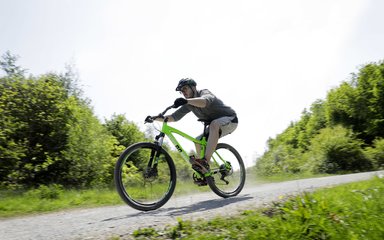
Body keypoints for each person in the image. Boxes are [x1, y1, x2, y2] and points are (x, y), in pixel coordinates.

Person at [155, 78, 238, 174]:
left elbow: (204, 102)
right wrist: (154, 118)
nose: (183, 92)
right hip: (214, 126)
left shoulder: (204, 93)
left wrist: (187, 101)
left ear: (193, 87)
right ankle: (204, 171)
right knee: (197, 140)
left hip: (230, 119)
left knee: (214, 124)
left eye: (185, 88)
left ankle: (205, 162)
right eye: (181, 91)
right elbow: (174, 117)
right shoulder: (188, 104)